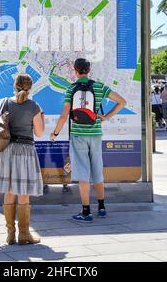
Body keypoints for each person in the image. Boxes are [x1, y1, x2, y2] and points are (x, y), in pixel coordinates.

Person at [50, 58, 126, 222]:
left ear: (75, 70)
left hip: (78, 135)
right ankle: (102, 207)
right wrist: (106, 117)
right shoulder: (99, 87)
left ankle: (86, 212)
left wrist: (55, 133)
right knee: (97, 170)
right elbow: (122, 101)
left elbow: (64, 115)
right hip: (96, 133)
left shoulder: (71, 88)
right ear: (89, 70)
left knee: (83, 173)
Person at [0, 73, 44, 245]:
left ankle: (10, 235)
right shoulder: (34, 106)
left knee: (9, 192)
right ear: (30, 88)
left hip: (7, 151)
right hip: (25, 151)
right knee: (23, 193)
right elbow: (39, 132)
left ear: (14, 86)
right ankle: (24, 235)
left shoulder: (5, 102)